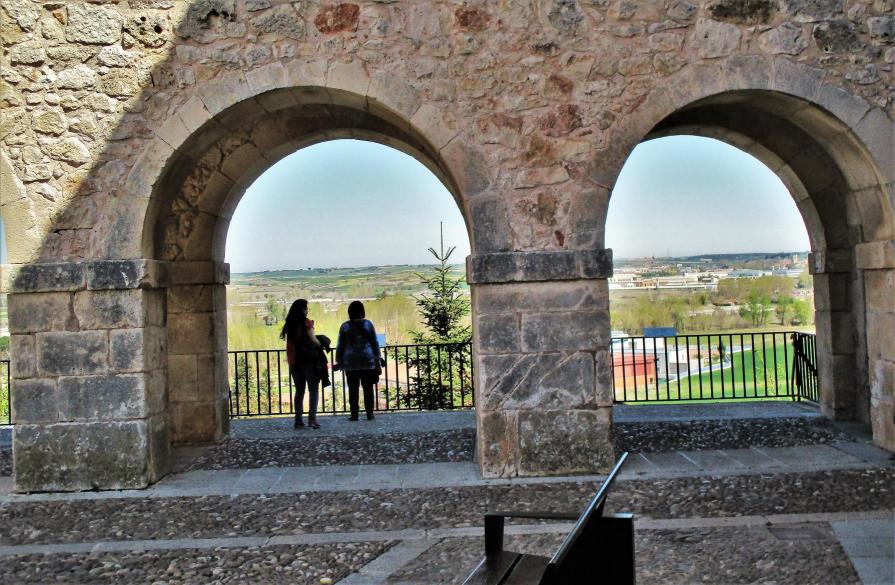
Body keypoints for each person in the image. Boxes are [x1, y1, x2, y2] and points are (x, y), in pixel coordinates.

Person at [335, 300, 382, 421]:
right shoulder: (368, 324)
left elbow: (340, 345)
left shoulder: (345, 326)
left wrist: (339, 361)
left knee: (353, 389)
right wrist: (377, 359)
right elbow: (375, 343)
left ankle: (354, 414)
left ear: (350, 312)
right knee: (368, 389)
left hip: (350, 362)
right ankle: (369, 414)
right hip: (367, 361)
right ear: (362, 311)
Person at [280, 299, 322, 429]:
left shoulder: (289, 324)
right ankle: (312, 419)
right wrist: (321, 344)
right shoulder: (307, 323)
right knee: (313, 389)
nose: (307, 311)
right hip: (308, 360)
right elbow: (313, 340)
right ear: (303, 310)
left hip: (294, 361)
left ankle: (298, 420)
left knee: (299, 391)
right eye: (306, 308)